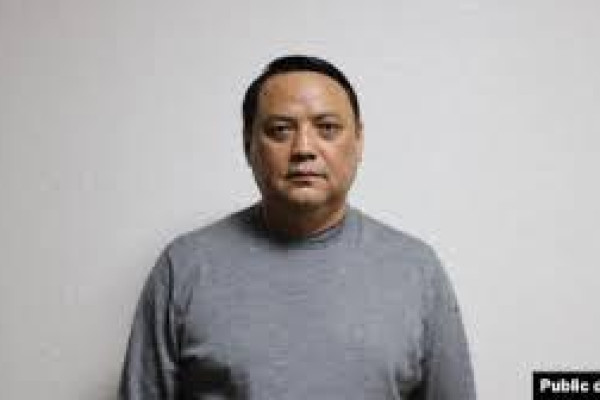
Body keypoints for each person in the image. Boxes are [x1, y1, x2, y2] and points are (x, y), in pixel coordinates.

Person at [118, 55, 476, 400]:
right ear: (248, 144)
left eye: (327, 128)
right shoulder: (185, 268)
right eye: (280, 130)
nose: (304, 148)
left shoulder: (416, 271)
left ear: (359, 140)